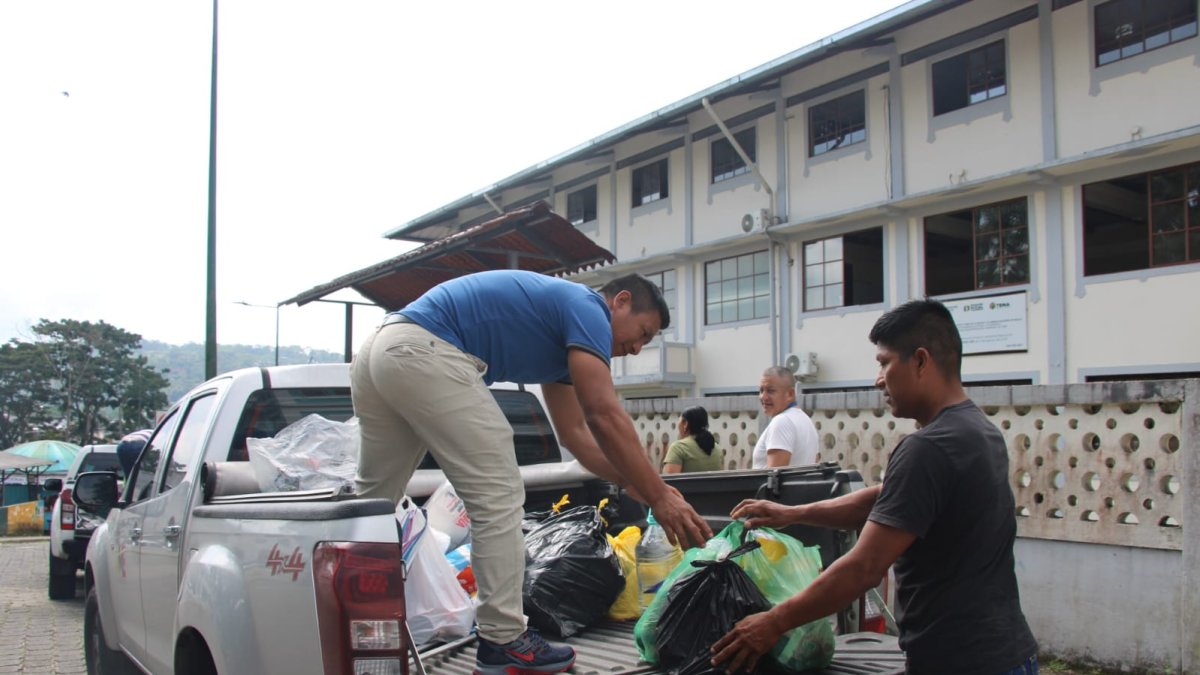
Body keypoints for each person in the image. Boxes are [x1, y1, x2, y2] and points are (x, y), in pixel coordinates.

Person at [350, 269, 712, 675]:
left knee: (372, 506)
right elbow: (603, 413)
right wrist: (660, 494)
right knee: (500, 495)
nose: (636, 349)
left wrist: (639, 486)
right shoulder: (588, 308)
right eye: (643, 333)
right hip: (423, 349)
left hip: (381, 349)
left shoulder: (562, 340)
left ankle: (344, 622)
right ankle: (504, 640)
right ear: (621, 301)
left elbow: (576, 437)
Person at [711, 299, 1038, 675]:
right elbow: (885, 500)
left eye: (884, 363)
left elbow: (864, 567)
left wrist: (773, 623)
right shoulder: (979, 430)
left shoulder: (928, 447)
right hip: (1008, 651)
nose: (878, 379)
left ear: (919, 361)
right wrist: (793, 514)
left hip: (963, 661)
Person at [751, 366, 819, 468]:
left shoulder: (782, 422)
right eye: (761, 390)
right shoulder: (806, 420)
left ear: (790, 394)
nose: (763, 397)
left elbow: (774, 478)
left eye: (770, 391)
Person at [662, 406, 724, 474]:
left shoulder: (678, 448)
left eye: (679, 420)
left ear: (685, 424)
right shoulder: (718, 449)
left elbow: (668, 481)